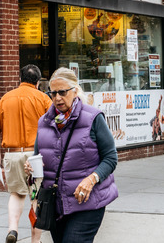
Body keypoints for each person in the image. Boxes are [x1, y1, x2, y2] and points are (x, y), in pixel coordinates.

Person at [30, 67, 119, 243]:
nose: (57, 98)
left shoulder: (93, 118)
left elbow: (110, 158)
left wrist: (91, 179)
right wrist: (31, 169)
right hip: (56, 205)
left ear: (75, 91)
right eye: (53, 93)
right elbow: (38, 157)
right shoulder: (44, 122)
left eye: (62, 92)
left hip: (87, 202)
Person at [0, 65, 53, 243]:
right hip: (36, 156)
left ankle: (13, 229)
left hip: (13, 154)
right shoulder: (43, 99)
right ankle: (35, 241)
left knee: (16, 194)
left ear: (20, 78)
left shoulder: (6, 98)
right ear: (38, 82)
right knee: (37, 196)